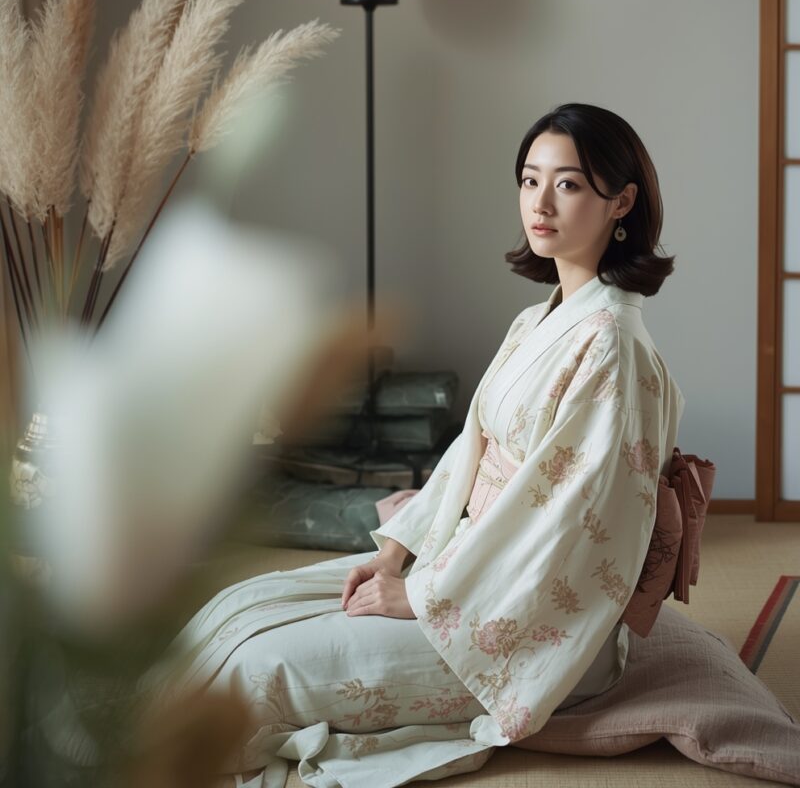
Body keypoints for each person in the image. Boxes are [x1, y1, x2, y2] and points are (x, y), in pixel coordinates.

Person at [148, 102, 685, 788]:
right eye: (529, 180)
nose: (540, 203)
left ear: (623, 202)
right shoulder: (538, 319)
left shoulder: (612, 346)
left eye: (569, 184)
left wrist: (427, 595)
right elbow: (469, 450)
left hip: (529, 625)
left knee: (254, 675)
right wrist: (401, 549)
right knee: (237, 610)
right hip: (467, 566)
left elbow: (572, 524)